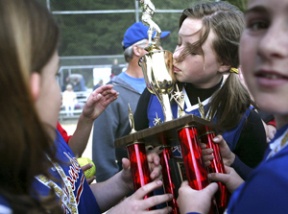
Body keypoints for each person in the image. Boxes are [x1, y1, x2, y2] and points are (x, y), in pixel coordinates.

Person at [0, 0, 174, 213]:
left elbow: (77, 199)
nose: (61, 95)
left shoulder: (45, 134)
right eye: (54, 75)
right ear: (31, 88)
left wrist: (123, 182)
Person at [134, 0, 267, 181]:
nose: (177, 55)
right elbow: (128, 159)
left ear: (225, 63)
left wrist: (231, 161)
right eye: (179, 43)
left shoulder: (245, 119)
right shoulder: (153, 95)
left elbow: (260, 188)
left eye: (194, 51)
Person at [177, 0, 288, 213]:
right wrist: (236, 167)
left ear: (225, 61)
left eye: (193, 50)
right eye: (258, 24)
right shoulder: (278, 147)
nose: (268, 45)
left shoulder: (277, 177)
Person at [92, 21, 170, 182]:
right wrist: (116, 197)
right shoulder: (112, 93)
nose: (161, 50)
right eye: (156, 44)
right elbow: (103, 151)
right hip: (134, 184)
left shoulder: (164, 85)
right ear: (138, 50)